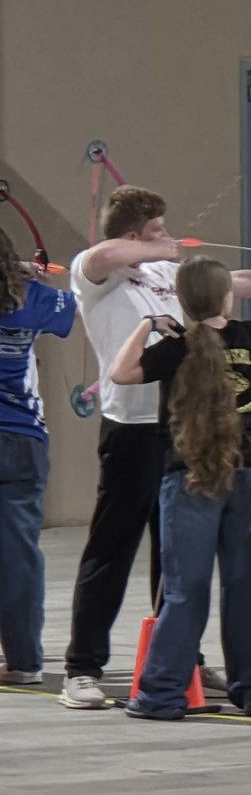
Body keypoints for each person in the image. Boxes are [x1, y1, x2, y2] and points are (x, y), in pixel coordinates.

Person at [62, 186, 251, 709]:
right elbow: (107, 254)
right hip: (130, 428)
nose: (167, 237)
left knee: (174, 554)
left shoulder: (161, 274)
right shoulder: (98, 271)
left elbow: (234, 283)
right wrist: (162, 249)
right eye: (157, 230)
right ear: (134, 234)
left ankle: (181, 661)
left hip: (177, 431)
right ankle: (82, 667)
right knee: (113, 546)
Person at [109, 256, 251, 719]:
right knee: (248, 585)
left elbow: (121, 373)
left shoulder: (176, 345)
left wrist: (147, 325)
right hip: (250, 474)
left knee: (185, 588)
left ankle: (161, 694)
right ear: (227, 296)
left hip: (188, 476)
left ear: (182, 300)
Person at [0, 228, 76, 684]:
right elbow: (73, 305)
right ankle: (26, 662)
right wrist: (26, 273)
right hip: (24, 440)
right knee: (19, 555)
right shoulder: (34, 297)